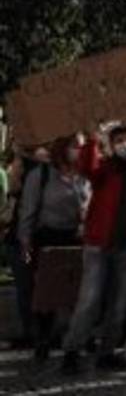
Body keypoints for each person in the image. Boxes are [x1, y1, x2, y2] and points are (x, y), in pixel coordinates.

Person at [62, 125, 126, 374]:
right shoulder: (104, 168)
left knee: (119, 305)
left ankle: (106, 353)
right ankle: (71, 351)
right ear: (111, 144)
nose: (124, 143)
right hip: (98, 245)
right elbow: (86, 168)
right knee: (89, 300)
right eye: (118, 140)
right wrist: (92, 139)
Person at [18, 135, 90, 361]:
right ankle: (43, 339)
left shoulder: (84, 177)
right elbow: (28, 212)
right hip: (48, 239)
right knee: (46, 294)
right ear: (62, 148)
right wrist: (25, 241)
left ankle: (74, 340)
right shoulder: (41, 175)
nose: (78, 150)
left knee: (76, 293)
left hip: (76, 239)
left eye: (81, 146)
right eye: (74, 146)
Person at [4, 144, 47, 350]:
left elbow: (13, 191)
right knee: (32, 288)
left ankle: (33, 332)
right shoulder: (44, 169)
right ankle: (37, 332)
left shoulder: (32, 170)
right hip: (27, 239)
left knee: (28, 288)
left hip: (24, 241)